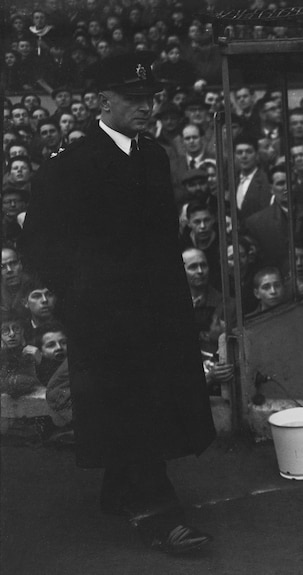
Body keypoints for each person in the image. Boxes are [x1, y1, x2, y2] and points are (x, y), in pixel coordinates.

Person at [21, 52, 215, 554]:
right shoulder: (74, 164)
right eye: (133, 98)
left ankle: (118, 490)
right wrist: (79, 296)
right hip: (104, 317)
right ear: (102, 101)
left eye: (150, 98)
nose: (146, 107)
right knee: (135, 405)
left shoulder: (152, 156)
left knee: (143, 405)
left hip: (157, 311)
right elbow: (39, 240)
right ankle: (158, 514)